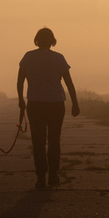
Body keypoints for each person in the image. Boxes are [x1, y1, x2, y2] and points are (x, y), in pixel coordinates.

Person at [17, 27, 79, 190]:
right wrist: (75, 103)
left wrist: (20, 100)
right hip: (56, 104)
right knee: (54, 141)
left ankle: (40, 178)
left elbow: (20, 81)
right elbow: (69, 83)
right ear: (52, 41)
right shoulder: (59, 58)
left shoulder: (28, 57)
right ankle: (53, 176)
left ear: (37, 40)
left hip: (36, 104)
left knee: (37, 142)